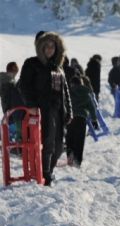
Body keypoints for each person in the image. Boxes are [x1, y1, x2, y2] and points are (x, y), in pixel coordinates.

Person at [19, 31, 73, 187]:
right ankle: (45, 174)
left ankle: (48, 170)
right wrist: (31, 105)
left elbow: (65, 91)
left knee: (58, 146)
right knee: (47, 143)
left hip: (59, 111)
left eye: (53, 46)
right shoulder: (32, 63)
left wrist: (69, 110)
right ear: (41, 47)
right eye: (47, 46)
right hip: (43, 110)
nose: (50, 49)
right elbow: (24, 86)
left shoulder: (59, 68)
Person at [65, 76, 97, 168]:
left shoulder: (69, 92)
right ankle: (77, 160)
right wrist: (94, 120)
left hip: (70, 118)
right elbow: (92, 107)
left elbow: (65, 104)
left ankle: (70, 153)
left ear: (72, 84)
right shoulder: (86, 93)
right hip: (81, 119)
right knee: (79, 140)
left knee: (69, 137)